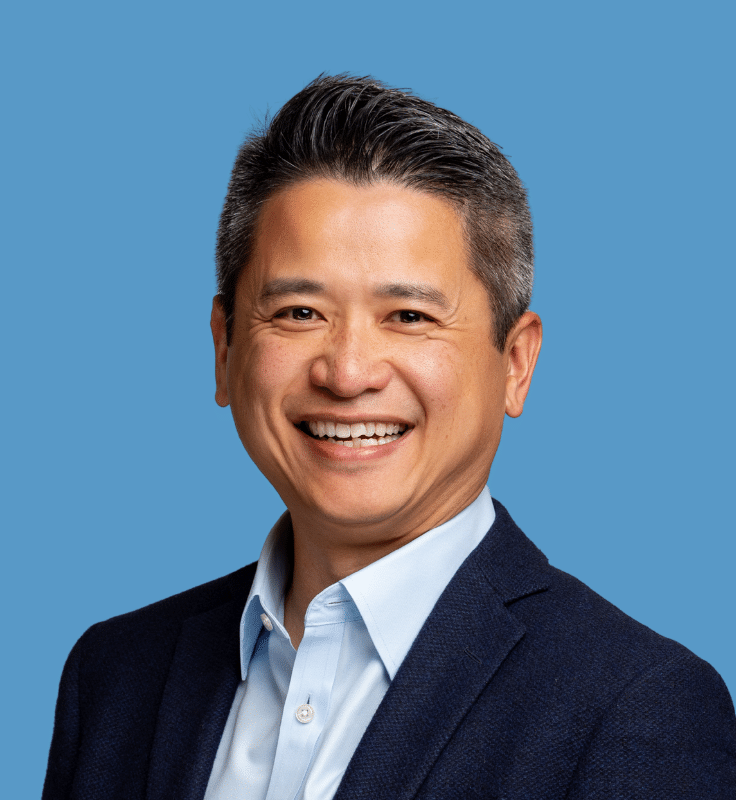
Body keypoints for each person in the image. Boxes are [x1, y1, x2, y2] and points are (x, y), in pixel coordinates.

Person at [43, 74, 736, 800]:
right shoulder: (116, 676)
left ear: (515, 363)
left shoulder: (633, 710)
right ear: (224, 350)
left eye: (409, 316)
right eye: (300, 312)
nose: (347, 372)